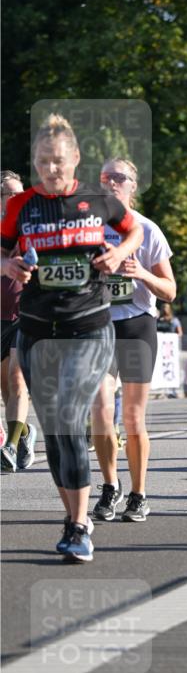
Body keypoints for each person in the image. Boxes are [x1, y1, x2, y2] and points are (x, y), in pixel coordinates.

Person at [0, 115, 143, 562]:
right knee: (57, 432)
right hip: (38, 329)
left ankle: (80, 525)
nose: (51, 170)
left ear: (75, 159)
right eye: (43, 162)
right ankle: (72, 518)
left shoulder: (99, 200)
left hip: (89, 326)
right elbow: (2, 249)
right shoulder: (21, 206)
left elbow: (132, 229)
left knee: (68, 410)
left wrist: (119, 253)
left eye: (58, 162)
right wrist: (7, 267)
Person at [90, 158, 177, 524]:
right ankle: (111, 486)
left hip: (137, 325)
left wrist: (141, 273)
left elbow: (170, 291)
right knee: (100, 410)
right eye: (105, 176)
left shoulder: (148, 230)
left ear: (132, 186)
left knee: (133, 417)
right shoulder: (89, 229)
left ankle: (139, 493)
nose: (111, 182)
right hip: (99, 326)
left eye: (118, 177)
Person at [0, 172, 37, 472]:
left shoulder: (31, 227)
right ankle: (23, 433)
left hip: (24, 313)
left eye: (20, 192)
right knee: (6, 390)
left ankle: (10, 447)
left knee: (17, 379)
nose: (17, 198)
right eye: (10, 193)